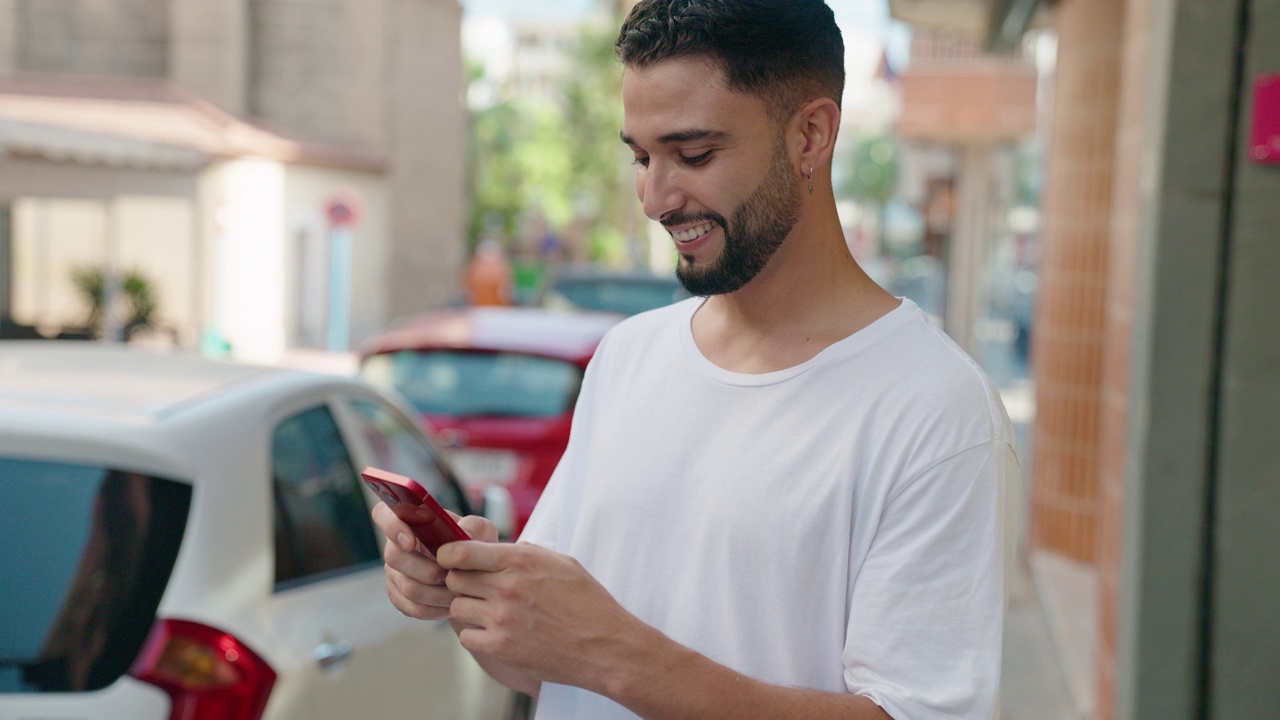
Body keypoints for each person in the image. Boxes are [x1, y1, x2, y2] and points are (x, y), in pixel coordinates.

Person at [374, 1, 1021, 718]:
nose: (655, 198)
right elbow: (546, 667)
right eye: (642, 157)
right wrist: (472, 595)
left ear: (811, 134)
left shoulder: (935, 409)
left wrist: (610, 652)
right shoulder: (628, 357)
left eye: (695, 155)